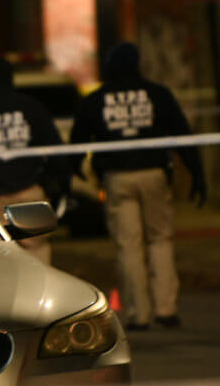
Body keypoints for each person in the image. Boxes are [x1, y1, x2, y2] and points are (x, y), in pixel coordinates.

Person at [71, 42, 205, 330]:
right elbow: (181, 133)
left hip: (117, 177)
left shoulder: (97, 99)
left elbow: (79, 137)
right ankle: (166, 309)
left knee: (128, 246)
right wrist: (197, 172)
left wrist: (74, 170)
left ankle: (138, 314)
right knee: (160, 239)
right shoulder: (157, 94)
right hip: (155, 172)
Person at [0, 57, 72, 265]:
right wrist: (59, 184)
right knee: (38, 258)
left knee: (2, 260)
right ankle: (39, 297)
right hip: (29, 194)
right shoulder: (31, 108)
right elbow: (55, 150)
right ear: (12, 79)